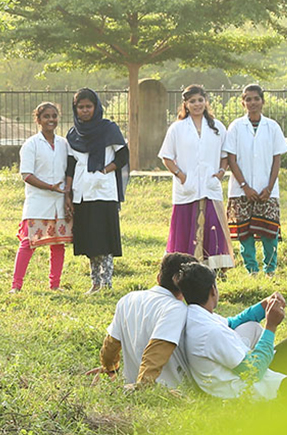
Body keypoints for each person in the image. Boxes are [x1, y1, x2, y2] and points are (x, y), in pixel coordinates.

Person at [177, 262, 286, 399]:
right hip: (247, 388)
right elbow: (254, 371)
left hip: (240, 372)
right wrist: (271, 326)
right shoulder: (212, 332)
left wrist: (263, 306)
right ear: (213, 290)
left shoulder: (198, 316)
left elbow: (233, 323)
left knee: (252, 327)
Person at [89, 252, 197, 388]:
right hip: (165, 389)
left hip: (131, 382)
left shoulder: (128, 299)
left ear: (158, 278)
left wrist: (109, 367)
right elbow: (157, 350)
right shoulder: (175, 308)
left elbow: (111, 345)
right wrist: (142, 386)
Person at [158, 85, 233, 270]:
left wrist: (221, 173)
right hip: (187, 187)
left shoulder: (217, 127)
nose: (197, 104)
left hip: (210, 186)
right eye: (192, 101)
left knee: (212, 225)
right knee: (184, 227)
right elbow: (166, 157)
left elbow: (226, 155)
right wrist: (181, 176)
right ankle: (184, 268)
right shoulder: (178, 128)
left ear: (205, 101)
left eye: (200, 100)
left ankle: (213, 269)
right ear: (185, 104)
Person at [65, 88, 129, 293]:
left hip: (103, 190)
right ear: (75, 109)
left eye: (88, 107)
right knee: (88, 238)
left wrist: (104, 170)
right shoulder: (73, 134)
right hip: (82, 191)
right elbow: (70, 164)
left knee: (104, 237)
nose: (85, 111)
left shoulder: (108, 128)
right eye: (80, 107)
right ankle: (94, 282)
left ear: (96, 107)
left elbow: (123, 156)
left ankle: (107, 282)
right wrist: (68, 191)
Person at [224, 84, 287, 275]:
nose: (252, 103)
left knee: (269, 231)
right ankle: (252, 270)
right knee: (245, 233)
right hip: (241, 189)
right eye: (248, 99)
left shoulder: (272, 127)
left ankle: (270, 270)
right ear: (243, 102)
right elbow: (231, 159)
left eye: (256, 99)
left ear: (262, 101)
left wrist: (269, 187)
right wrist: (245, 186)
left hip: (267, 190)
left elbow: (277, 159)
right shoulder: (236, 126)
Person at [10, 102, 71, 293]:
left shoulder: (63, 143)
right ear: (38, 119)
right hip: (38, 202)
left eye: (54, 116)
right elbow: (26, 175)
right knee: (28, 243)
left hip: (59, 202)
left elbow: (69, 170)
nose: (51, 120)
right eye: (46, 116)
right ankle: (16, 286)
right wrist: (49, 187)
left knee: (58, 245)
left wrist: (66, 195)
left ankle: (55, 285)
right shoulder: (31, 144)